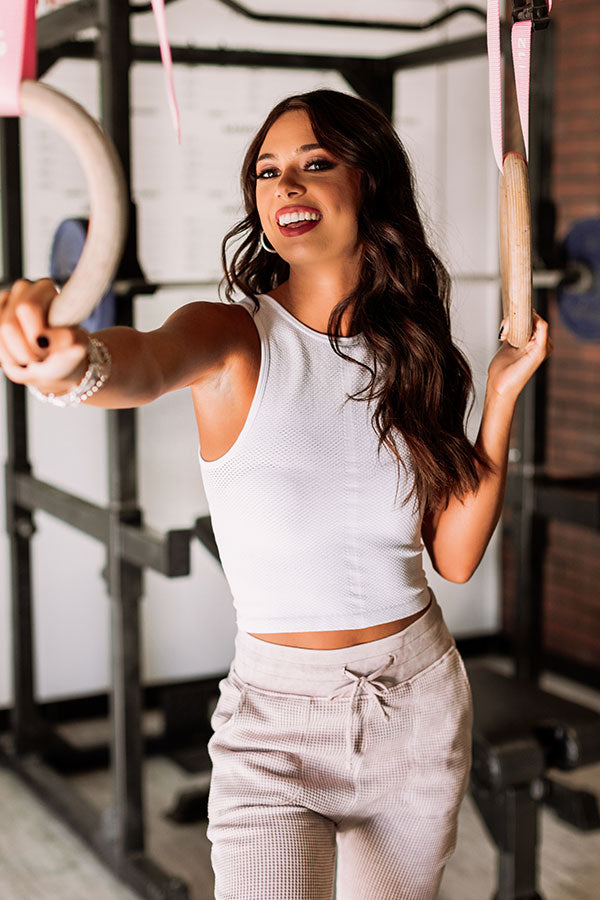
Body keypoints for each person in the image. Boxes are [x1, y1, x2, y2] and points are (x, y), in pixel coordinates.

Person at [0, 89, 552, 899]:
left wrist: (500, 398)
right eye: (267, 171)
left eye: (314, 163)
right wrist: (63, 364)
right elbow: (139, 363)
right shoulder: (231, 337)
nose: (285, 185)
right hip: (276, 728)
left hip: (418, 704)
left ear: (369, 182)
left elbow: (456, 557)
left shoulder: (415, 355)